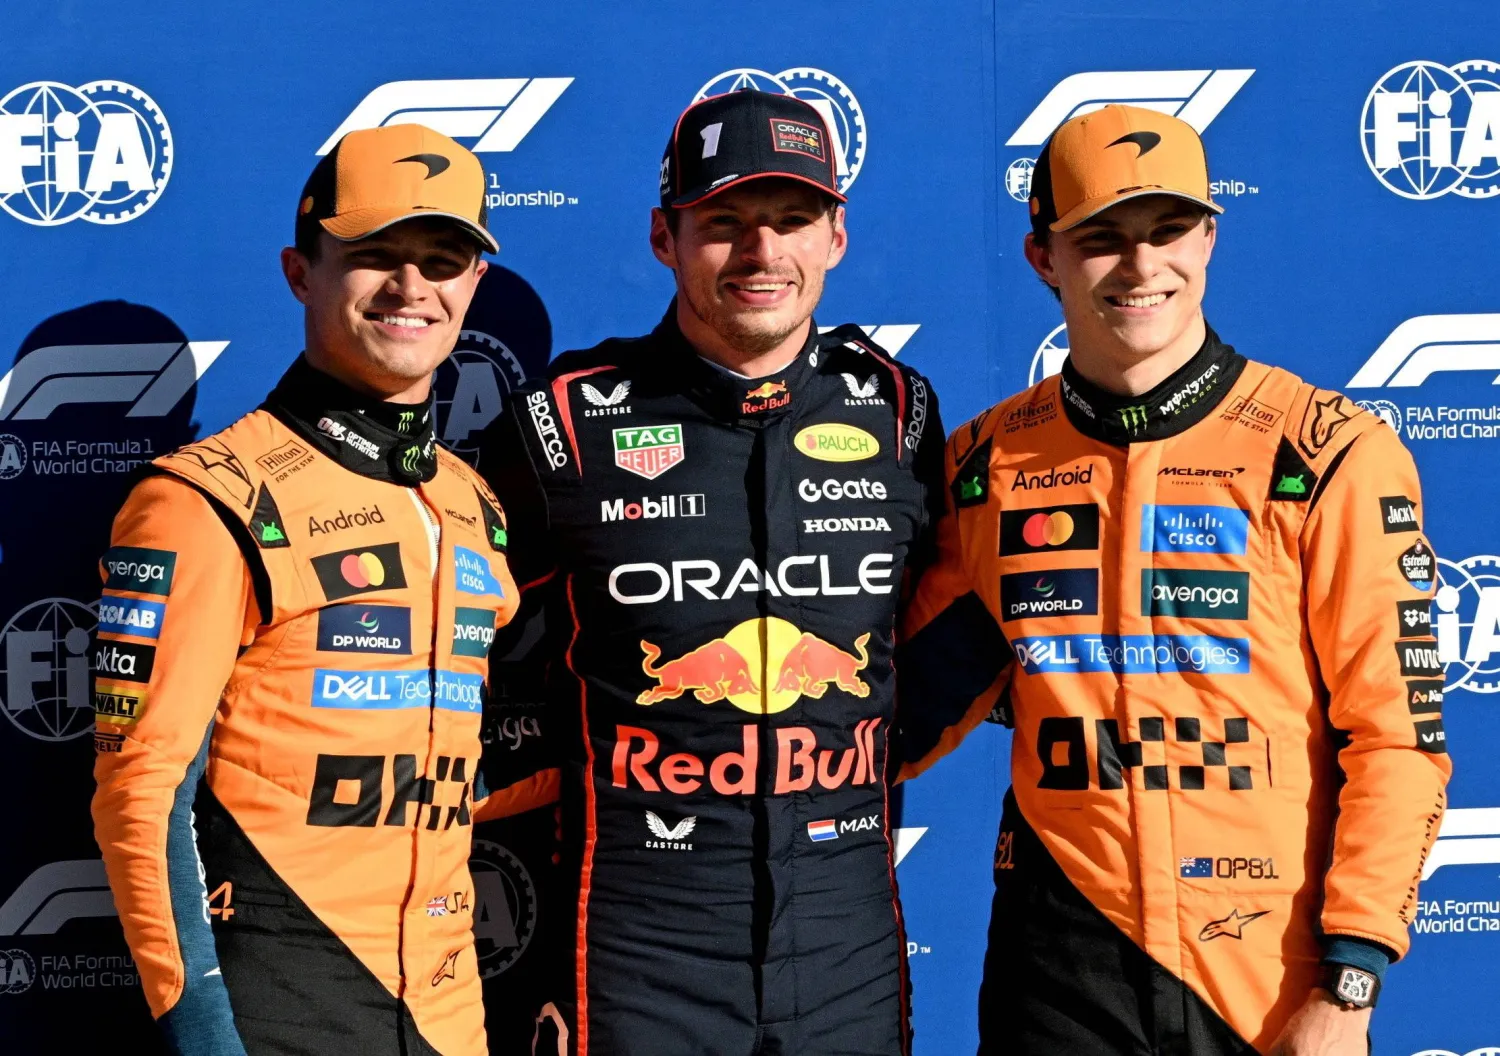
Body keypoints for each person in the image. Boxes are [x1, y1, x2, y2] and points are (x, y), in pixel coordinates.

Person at [895, 104, 1451, 1055]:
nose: (1142, 266)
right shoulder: (986, 463)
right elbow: (903, 702)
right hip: (1059, 961)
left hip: (1266, 977)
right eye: (1101, 239)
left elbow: (1397, 740)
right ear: (1044, 257)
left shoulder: (1327, 452)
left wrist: (1351, 980)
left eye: (1168, 231)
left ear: (1210, 238)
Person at [480, 89, 944, 1055]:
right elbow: (463, 659)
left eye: (792, 220)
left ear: (837, 237)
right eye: (723, 224)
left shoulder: (899, 410)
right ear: (665, 237)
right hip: (642, 939)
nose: (761, 253)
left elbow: (948, 640)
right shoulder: (560, 423)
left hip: (845, 933)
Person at [91, 124, 557, 1056]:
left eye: (443, 259)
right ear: (301, 271)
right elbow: (141, 795)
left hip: (449, 1014)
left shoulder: (474, 505)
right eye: (374, 255)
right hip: (279, 1010)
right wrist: (205, 1035)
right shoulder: (201, 499)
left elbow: (473, 751)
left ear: (474, 284)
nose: (411, 287)